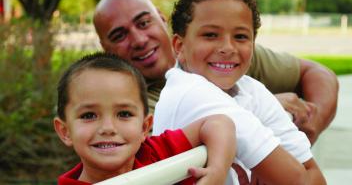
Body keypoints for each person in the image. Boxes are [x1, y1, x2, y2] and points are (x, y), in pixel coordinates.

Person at [93, 0, 338, 145]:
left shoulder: (222, 54)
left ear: (161, 17)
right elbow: (200, 135)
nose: (139, 39)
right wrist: (267, 107)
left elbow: (317, 73)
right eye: (119, 35)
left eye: (144, 22)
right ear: (105, 49)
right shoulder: (124, 103)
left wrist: (313, 121)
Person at [153, 0, 326, 184]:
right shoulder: (191, 93)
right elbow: (300, 180)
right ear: (179, 46)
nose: (227, 47)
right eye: (210, 35)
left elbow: (314, 176)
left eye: (241, 36)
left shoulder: (249, 89)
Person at [53, 52, 236, 184]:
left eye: (124, 114)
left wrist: (217, 172)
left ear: (144, 127)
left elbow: (219, 123)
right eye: (89, 115)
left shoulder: (157, 154)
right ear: (65, 131)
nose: (108, 128)